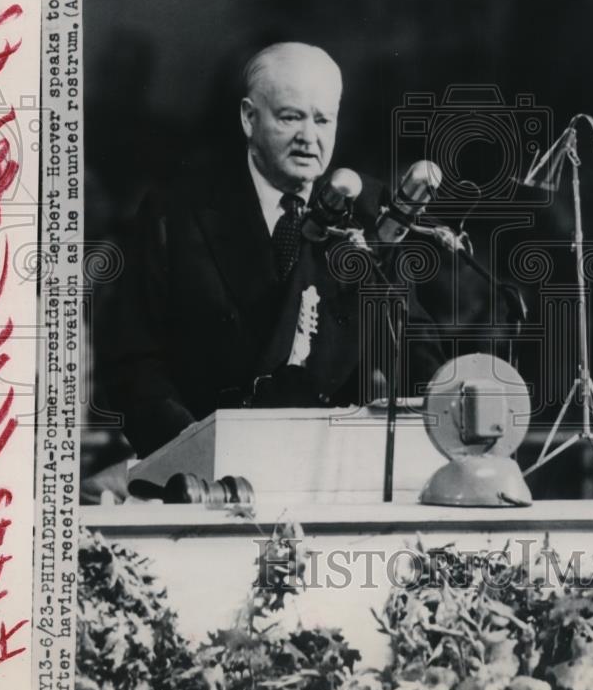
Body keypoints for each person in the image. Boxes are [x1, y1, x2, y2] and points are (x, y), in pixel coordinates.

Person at [103, 42, 445, 458]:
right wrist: (192, 450)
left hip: (328, 468)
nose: (309, 137)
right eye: (290, 118)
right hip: (207, 473)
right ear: (249, 117)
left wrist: (440, 427)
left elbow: (411, 346)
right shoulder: (176, 212)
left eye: (322, 120)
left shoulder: (372, 211)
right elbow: (134, 363)